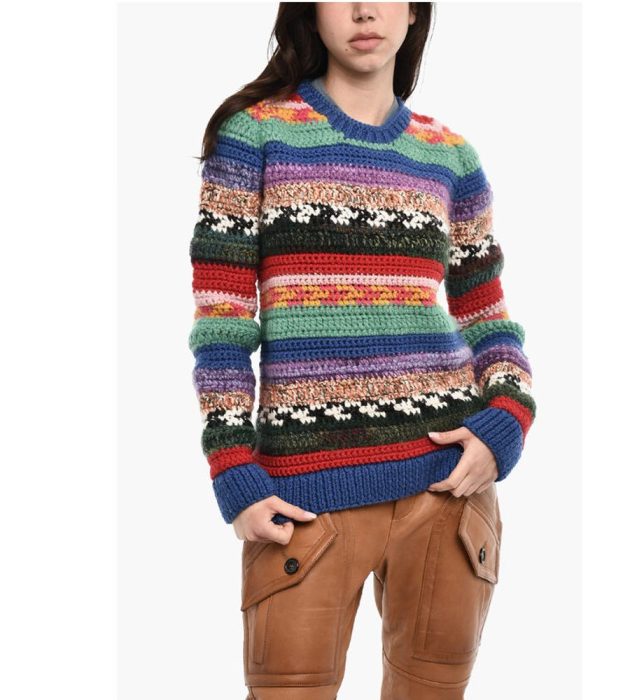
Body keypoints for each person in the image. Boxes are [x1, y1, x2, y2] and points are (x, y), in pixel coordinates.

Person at [188, 3, 536, 698]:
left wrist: (508, 418)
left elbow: (486, 313)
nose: (364, 10)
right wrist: (232, 469)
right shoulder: (255, 135)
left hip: (446, 488)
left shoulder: (451, 156)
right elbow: (223, 321)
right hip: (302, 501)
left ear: (414, 12)